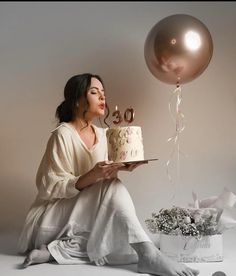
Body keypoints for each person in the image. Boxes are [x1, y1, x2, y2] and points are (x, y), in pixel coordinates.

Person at [18, 73, 199, 276]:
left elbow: (101, 179)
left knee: (113, 234)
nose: (103, 98)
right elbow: (50, 187)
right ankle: (148, 255)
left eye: (103, 93)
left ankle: (53, 252)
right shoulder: (62, 134)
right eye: (94, 92)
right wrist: (94, 175)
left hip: (82, 218)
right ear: (78, 100)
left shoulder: (104, 134)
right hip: (52, 217)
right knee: (113, 192)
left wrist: (121, 167)